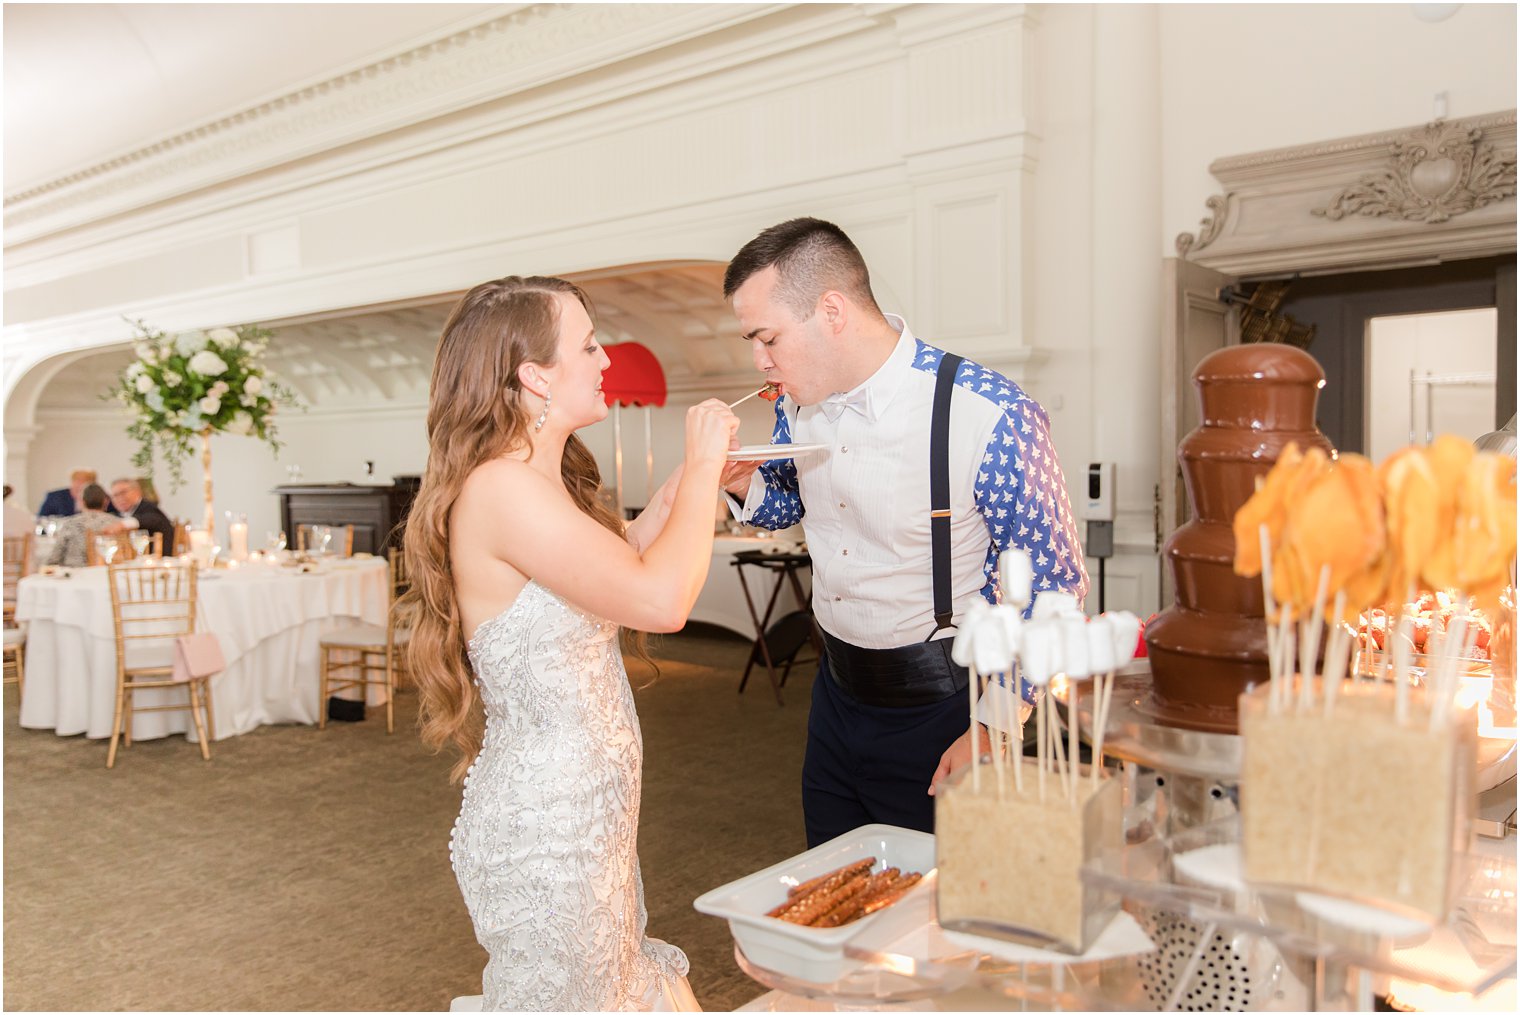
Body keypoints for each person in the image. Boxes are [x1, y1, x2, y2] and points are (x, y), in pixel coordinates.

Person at [401, 276, 740, 1012]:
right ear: (534, 375)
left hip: (585, 815)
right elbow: (658, 598)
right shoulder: (503, 489)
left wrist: (694, 483)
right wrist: (705, 461)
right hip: (549, 832)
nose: (605, 360)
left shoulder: (536, 482)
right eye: (588, 345)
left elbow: (626, 561)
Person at [721, 217, 1089, 847]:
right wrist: (736, 481)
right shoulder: (793, 404)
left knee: (934, 923)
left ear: (830, 311)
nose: (759, 360)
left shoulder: (988, 412)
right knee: (835, 895)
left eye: (767, 338)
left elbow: (1053, 586)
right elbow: (789, 504)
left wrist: (994, 729)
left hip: (944, 711)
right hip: (834, 699)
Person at [44, 484, 118, 567]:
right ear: (106, 501)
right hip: (106, 571)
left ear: (82, 501)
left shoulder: (70, 523)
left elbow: (55, 557)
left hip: (74, 572)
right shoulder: (117, 523)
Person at [106, 477, 175, 551]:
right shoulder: (114, 515)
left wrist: (123, 525)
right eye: (115, 495)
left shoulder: (149, 507)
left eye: (123, 492)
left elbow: (152, 519)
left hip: (158, 559)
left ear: (137, 492)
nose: (120, 498)